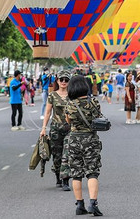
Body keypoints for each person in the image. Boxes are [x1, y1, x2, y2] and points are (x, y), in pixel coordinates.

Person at [64, 75, 103, 216]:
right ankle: (93, 203)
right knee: (92, 172)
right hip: (90, 139)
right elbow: (98, 118)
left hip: (74, 140)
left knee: (76, 173)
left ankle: (80, 205)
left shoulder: (70, 104)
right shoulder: (94, 102)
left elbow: (68, 121)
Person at [41, 70, 71, 191]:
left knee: (67, 154)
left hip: (69, 129)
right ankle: (58, 176)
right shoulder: (52, 95)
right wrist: (43, 128)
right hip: (55, 130)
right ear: (57, 81)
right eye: (61, 79)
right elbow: (48, 112)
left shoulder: (72, 95)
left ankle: (66, 180)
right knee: (57, 155)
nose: (63, 82)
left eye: (66, 80)